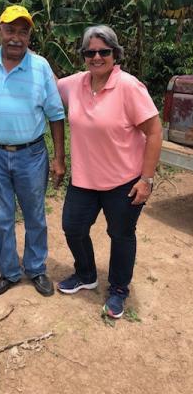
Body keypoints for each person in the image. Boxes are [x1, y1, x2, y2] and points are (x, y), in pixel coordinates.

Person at [57, 25, 162, 319]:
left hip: (124, 181)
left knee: (121, 234)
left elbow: (154, 132)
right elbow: (47, 82)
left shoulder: (129, 86)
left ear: (115, 54)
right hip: (84, 179)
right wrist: (23, 52)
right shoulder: (75, 83)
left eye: (104, 51)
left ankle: (118, 289)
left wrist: (146, 179)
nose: (97, 57)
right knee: (73, 227)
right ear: (83, 56)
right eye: (90, 52)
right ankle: (86, 274)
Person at [0, 5, 65, 298]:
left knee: (35, 214)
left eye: (22, 32)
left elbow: (56, 114)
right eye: (10, 30)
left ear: (28, 36)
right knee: (0, 217)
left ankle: (36, 268)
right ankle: (10, 272)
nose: (16, 37)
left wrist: (60, 159)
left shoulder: (41, 67)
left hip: (31, 155)